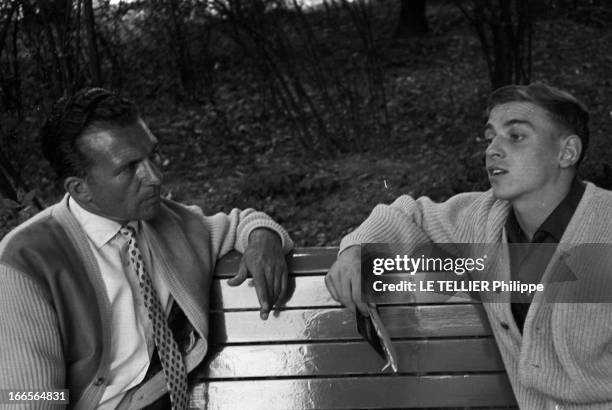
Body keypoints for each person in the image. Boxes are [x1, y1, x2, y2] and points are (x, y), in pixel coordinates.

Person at [0, 88, 293, 409]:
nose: (155, 176)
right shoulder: (24, 261)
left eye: (152, 155)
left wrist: (263, 238)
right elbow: (25, 397)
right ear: (79, 188)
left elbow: (241, 223)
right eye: (129, 167)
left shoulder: (168, 221)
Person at [325, 83, 612, 409]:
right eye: (490, 138)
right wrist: (355, 249)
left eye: (515, 136)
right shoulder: (483, 219)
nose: (492, 150)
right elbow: (409, 214)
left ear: (567, 152)